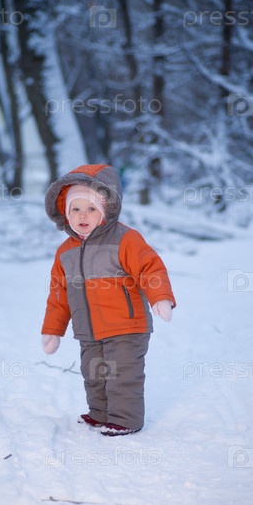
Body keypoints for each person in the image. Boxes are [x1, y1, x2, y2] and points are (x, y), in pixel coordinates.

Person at [41, 164, 176, 436]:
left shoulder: (125, 239)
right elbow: (58, 295)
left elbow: (150, 268)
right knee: (94, 374)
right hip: (88, 330)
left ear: (106, 209)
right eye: (75, 209)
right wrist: (52, 330)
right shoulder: (65, 252)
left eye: (91, 208)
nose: (82, 215)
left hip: (126, 326)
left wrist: (160, 297)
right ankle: (100, 414)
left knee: (122, 375)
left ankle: (125, 419)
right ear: (65, 213)